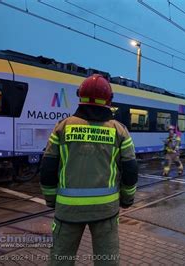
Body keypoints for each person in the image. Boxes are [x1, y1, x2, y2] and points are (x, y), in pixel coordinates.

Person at [40, 74, 138, 266]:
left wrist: (51, 200)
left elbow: (48, 167)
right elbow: (131, 170)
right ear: (109, 100)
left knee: (60, 259)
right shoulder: (119, 131)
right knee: (107, 260)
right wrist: (127, 199)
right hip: (106, 210)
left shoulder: (63, 127)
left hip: (67, 210)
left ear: (80, 97)